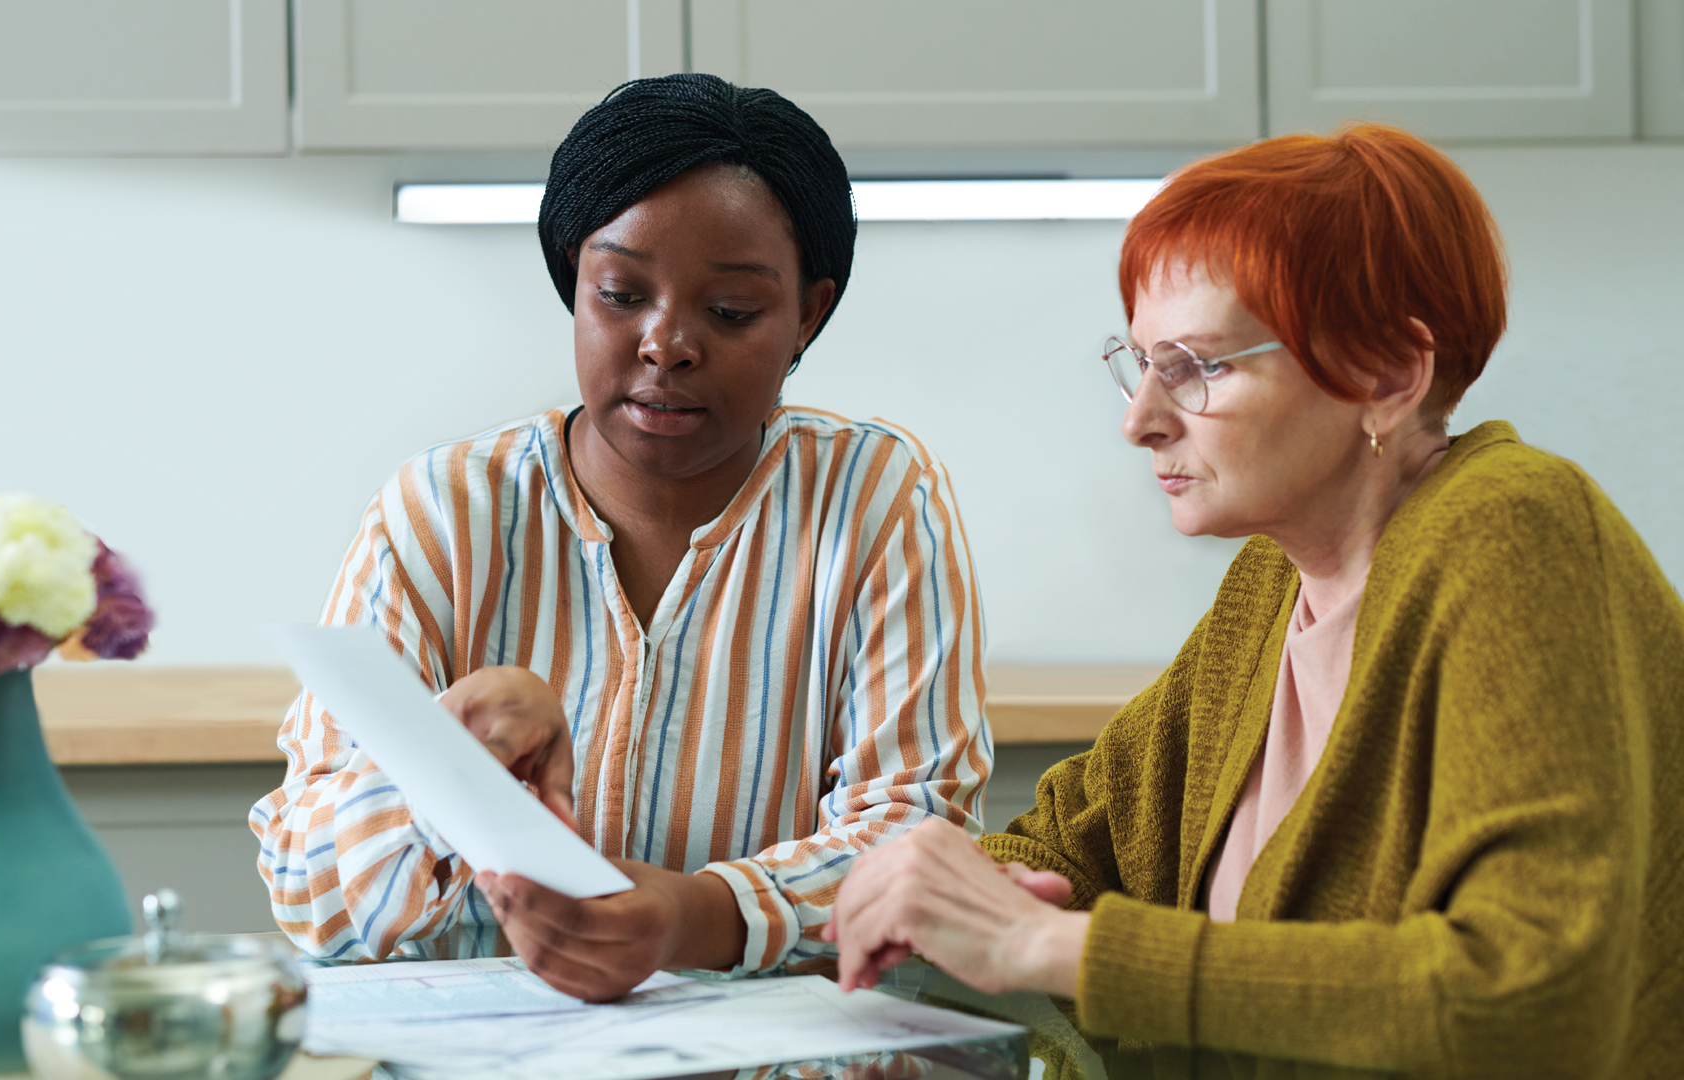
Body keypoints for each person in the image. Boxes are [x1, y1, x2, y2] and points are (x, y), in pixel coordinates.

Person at [825, 123, 1683, 1077]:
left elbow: (1529, 997)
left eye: (1198, 367)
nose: (1139, 420)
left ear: (1388, 375)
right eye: (1143, 363)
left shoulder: (1518, 530)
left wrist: (1048, 949)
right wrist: (939, 887)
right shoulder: (1277, 584)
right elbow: (1074, 845)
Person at [251, 74, 992, 1002]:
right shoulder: (441, 512)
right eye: (621, 293)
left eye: (730, 312)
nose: (667, 343)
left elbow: (918, 835)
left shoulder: (874, 497)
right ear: (573, 282)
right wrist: (449, 765)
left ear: (808, 313)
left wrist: (697, 915)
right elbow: (304, 893)